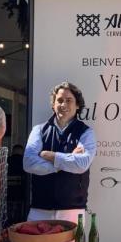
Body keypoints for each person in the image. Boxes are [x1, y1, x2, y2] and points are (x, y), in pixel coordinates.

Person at [23, 81, 96, 226]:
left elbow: (82, 164)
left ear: (77, 105)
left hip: (73, 211)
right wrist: (65, 162)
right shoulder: (38, 130)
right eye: (60, 100)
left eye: (69, 100)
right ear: (53, 104)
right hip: (40, 209)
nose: (64, 105)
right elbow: (29, 163)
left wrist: (52, 156)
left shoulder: (86, 133)